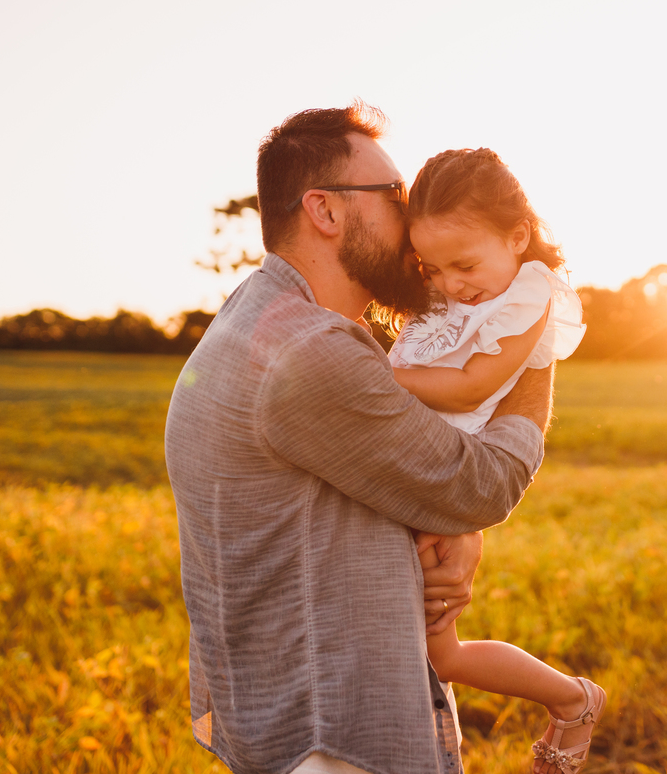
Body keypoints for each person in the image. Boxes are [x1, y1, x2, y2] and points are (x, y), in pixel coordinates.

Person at [164, 104, 555, 774]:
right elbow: (478, 486)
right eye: (394, 196)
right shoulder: (309, 351)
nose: (410, 220)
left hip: (297, 717)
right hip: (338, 734)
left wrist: (450, 532)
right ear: (326, 211)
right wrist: (536, 352)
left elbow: (372, 481)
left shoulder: (258, 315)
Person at [388, 148, 604, 774]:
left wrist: (374, 374)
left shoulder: (529, 293)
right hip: (417, 463)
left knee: (439, 651)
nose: (452, 282)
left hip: (459, 464)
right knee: (436, 654)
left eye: (464, 263)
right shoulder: (453, 290)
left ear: (518, 236)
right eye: (434, 266)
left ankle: (574, 699)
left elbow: (469, 388)